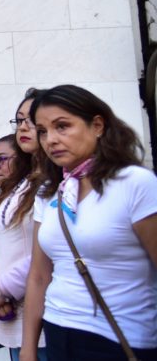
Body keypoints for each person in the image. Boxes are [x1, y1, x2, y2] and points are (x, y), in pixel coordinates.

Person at [21, 85, 157, 361]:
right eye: (43, 131)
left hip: (120, 339)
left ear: (97, 125)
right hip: (58, 330)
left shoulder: (135, 183)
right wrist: (28, 349)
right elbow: (38, 275)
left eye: (62, 126)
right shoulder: (50, 192)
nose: (51, 140)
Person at [0, 134, 45, 359]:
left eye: (2, 159)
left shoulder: (41, 191)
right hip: (6, 308)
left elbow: (45, 250)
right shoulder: (4, 197)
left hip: (38, 309)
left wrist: (2, 291)